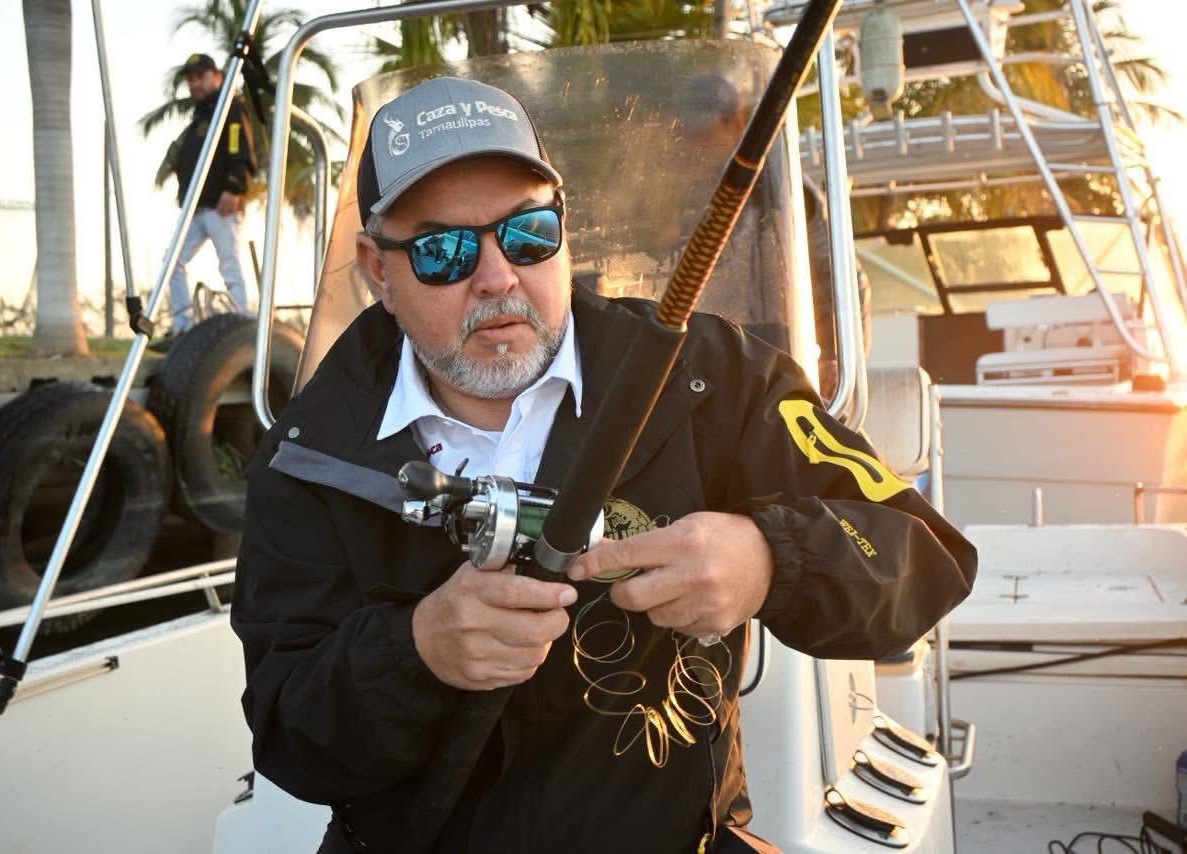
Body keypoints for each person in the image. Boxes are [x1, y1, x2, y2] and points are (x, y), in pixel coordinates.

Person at [232, 76, 977, 853]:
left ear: (565, 230)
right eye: (442, 251)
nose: (497, 276)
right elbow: (288, 736)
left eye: (528, 233)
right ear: (378, 270)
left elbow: (925, 557)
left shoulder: (709, 376)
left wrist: (768, 558)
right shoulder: (308, 458)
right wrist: (417, 652)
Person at [158, 52, 257, 336]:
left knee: (229, 265)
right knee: (172, 263)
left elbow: (239, 148)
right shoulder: (200, 117)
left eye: (200, 77)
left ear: (217, 77)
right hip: (196, 206)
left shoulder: (230, 108)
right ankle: (183, 325)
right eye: (190, 79)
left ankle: (241, 324)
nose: (194, 84)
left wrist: (234, 187)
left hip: (221, 205)